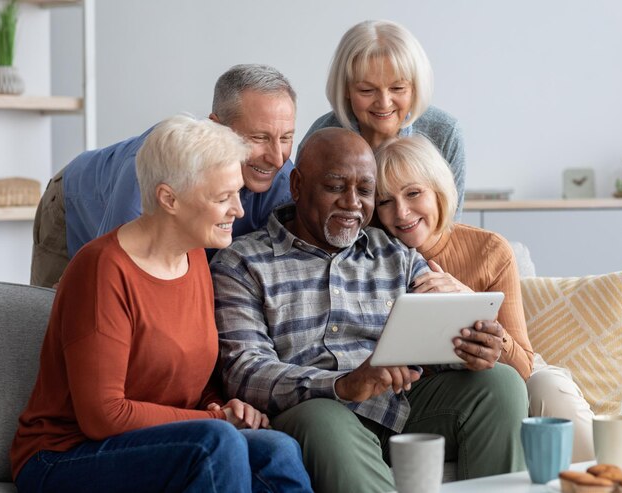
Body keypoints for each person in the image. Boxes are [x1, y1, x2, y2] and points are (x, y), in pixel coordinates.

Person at [210, 127, 527, 493]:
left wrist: (473, 347)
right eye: (335, 187)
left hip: (400, 406)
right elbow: (244, 371)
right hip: (315, 410)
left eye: (364, 191)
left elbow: (437, 341)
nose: (352, 203)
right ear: (297, 185)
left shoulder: (397, 255)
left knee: (499, 384)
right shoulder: (242, 262)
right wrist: (341, 385)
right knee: (323, 419)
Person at [11, 115, 313, 493]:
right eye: (222, 198)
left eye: (236, 193)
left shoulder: (196, 258)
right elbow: (103, 417)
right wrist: (214, 419)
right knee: (216, 443)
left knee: (277, 450)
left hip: (162, 441)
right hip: (64, 455)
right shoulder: (102, 269)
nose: (238, 210)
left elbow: (187, 382)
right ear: (169, 198)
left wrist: (223, 406)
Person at [374, 134, 595, 462]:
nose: (402, 212)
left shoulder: (490, 249)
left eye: (413, 193)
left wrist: (468, 299)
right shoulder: (370, 257)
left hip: (505, 370)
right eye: (385, 201)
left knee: (549, 389)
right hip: (440, 393)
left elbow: (522, 365)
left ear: (438, 191)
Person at [31, 63, 297, 288]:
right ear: (217, 126)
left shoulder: (282, 179)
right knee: (59, 310)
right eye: (259, 138)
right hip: (76, 202)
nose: (276, 157)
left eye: (286, 138)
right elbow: (114, 274)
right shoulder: (154, 172)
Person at [299, 19, 466, 215]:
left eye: (397, 88)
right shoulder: (322, 137)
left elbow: (450, 224)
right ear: (346, 89)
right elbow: (306, 219)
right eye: (367, 90)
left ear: (414, 87)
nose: (384, 103)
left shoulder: (444, 132)